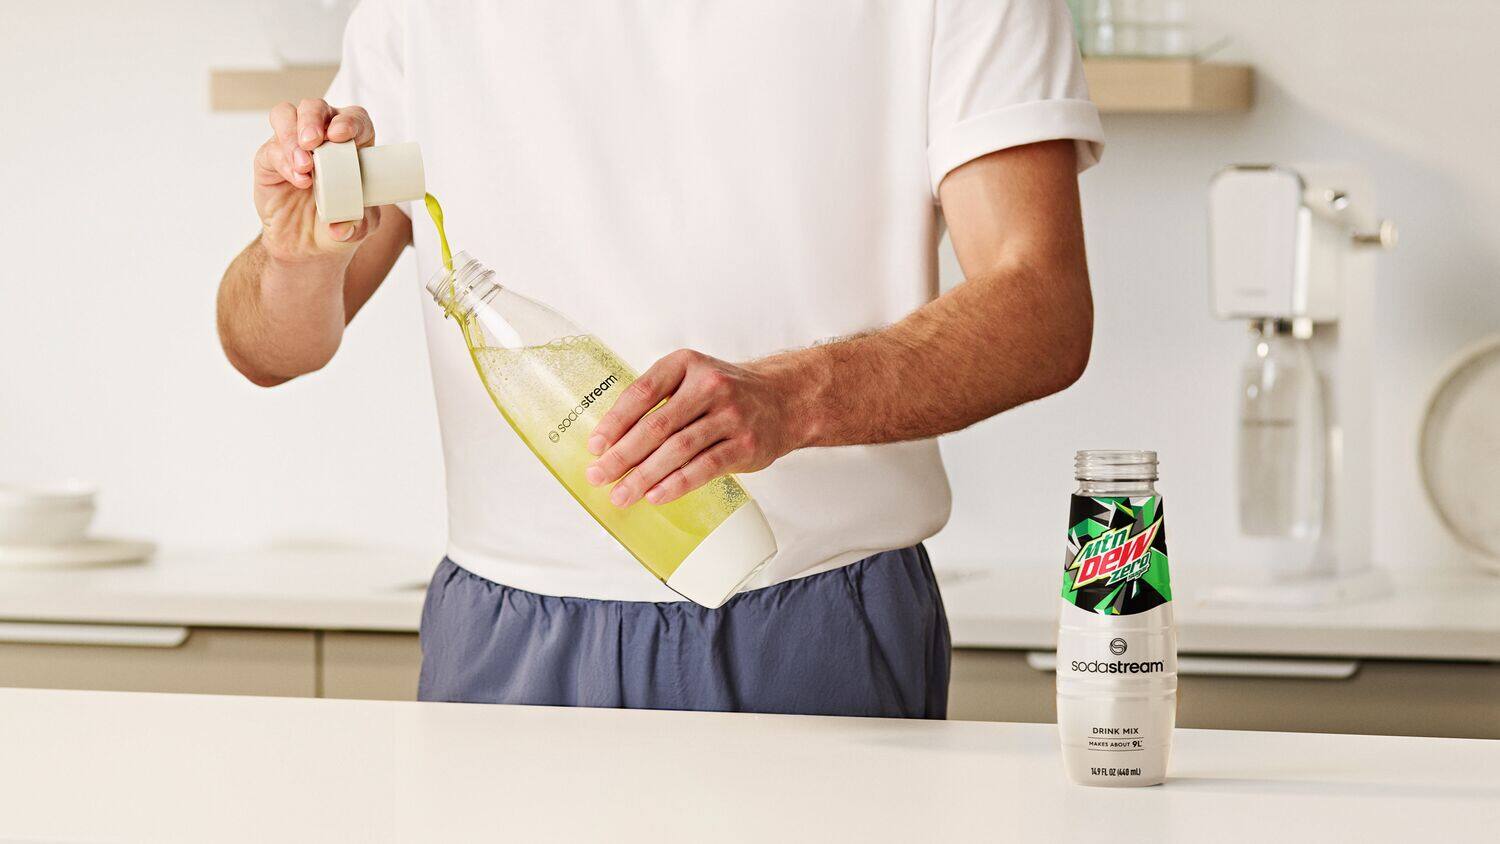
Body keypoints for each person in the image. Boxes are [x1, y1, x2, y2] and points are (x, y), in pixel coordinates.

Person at [217, 0, 1102, 718]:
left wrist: (795, 397)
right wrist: (296, 260)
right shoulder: (415, 15)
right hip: (506, 626)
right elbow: (270, 350)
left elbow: (1042, 307)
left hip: (814, 619)